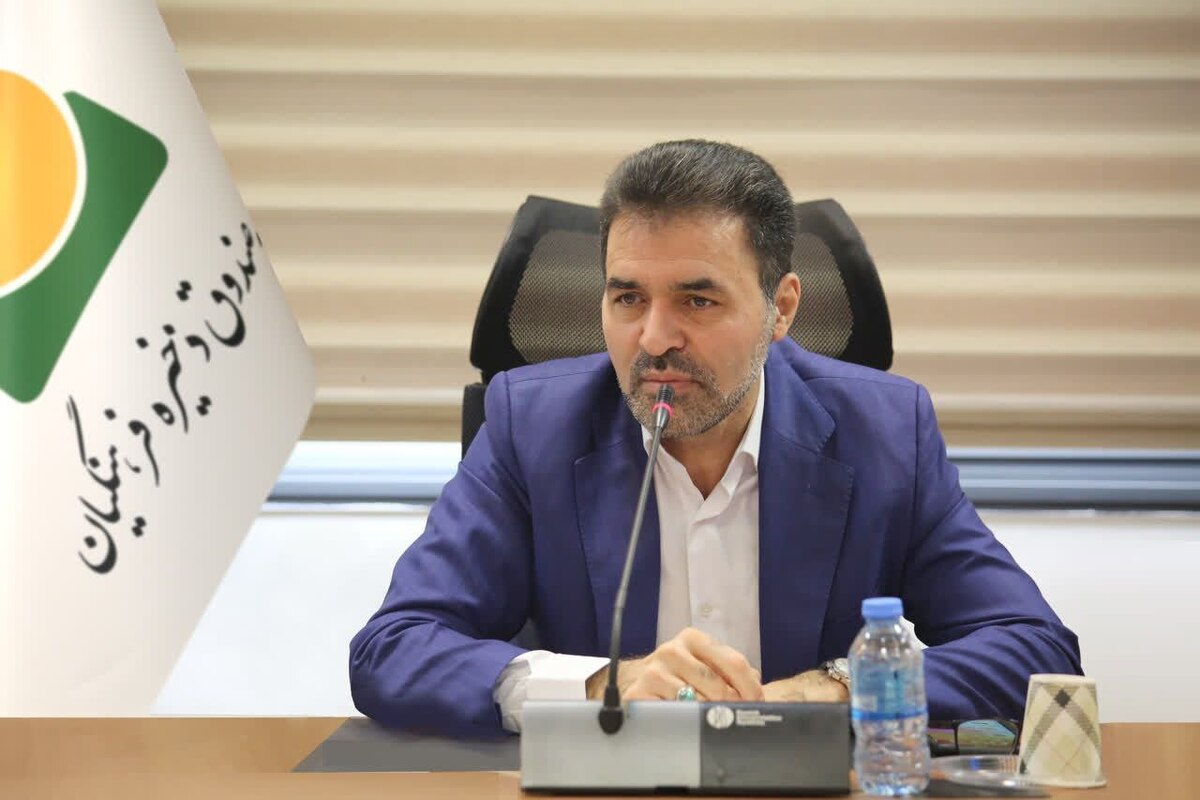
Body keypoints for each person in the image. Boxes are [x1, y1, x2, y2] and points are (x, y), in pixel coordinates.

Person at [349, 139, 1082, 738]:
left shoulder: (886, 433)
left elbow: (1034, 651)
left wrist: (837, 689)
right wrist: (603, 683)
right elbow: (394, 649)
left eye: (697, 300)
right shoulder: (530, 425)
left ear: (781, 308)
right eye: (627, 297)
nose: (654, 339)